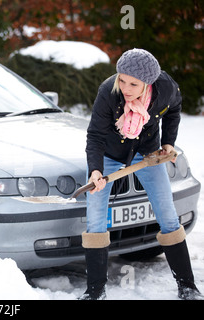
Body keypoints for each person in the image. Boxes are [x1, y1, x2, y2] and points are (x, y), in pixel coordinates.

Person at [79, 48, 202, 300]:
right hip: (110, 155)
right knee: (95, 219)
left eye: (133, 83)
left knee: (167, 214)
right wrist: (95, 170)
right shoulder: (108, 92)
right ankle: (95, 292)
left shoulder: (166, 88)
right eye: (121, 79)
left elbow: (174, 110)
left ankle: (187, 287)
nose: (125, 87)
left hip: (147, 152)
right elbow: (95, 135)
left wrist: (168, 142)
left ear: (149, 83)